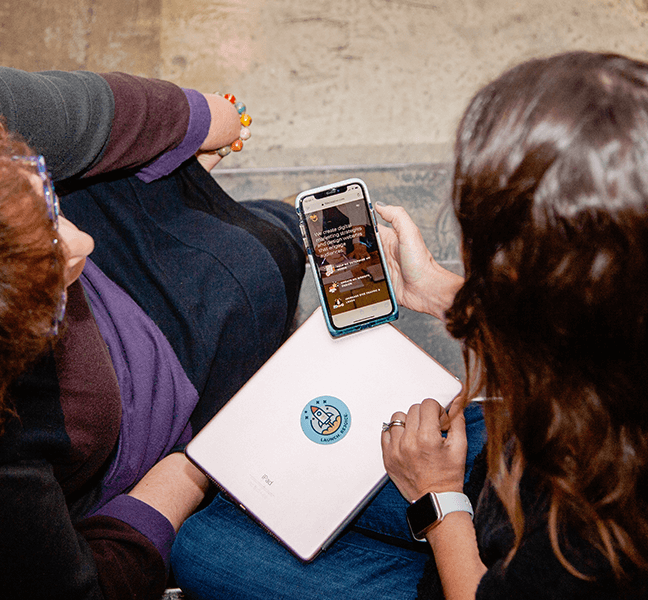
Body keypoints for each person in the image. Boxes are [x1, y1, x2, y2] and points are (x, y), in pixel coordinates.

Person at [171, 50, 648, 599]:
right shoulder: (614, 340)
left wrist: (440, 501)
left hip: (492, 564)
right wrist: (442, 291)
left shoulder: (592, 548)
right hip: (515, 478)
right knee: (254, 476)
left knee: (203, 546)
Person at [0, 67, 305, 600]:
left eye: (44, 198)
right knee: (264, 264)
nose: (80, 244)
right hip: (138, 440)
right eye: (44, 266)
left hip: (111, 311)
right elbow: (88, 586)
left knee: (274, 235)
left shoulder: (64, 241)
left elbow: (80, 111)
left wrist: (205, 115)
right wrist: (192, 472)